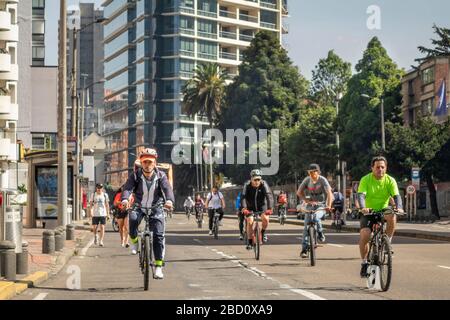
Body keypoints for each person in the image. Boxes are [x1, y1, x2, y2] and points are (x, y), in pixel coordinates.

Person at [121, 148, 174, 280]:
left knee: (158, 236)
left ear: (155, 163)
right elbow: (127, 188)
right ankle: (134, 241)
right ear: (141, 163)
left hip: (156, 207)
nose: (147, 165)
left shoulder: (161, 176)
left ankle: (158, 267)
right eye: (145, 162)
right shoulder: (135, 175)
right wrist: (125, 199)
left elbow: (167, 189)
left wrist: (169, 201)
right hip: (139, 206)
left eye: (150, 162)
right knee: (132, 219)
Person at [357, 156, 404, 277]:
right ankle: (364, 262)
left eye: (383, 167)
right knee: (365, 234)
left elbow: (396, 195)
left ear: (386, 168)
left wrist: (399, 207)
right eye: (377, 167)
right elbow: (361, 195)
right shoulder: (365, 179)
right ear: (372, 168)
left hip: (384, 209)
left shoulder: (390, 180)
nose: (380, 169)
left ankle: (387, 242)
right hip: (369, 211)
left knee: (392, 214)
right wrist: (363, 207)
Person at [297, 164, 334, 258]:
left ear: (318, 172)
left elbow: (329, 193)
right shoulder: (307, 180)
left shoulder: (322, 180)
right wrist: (306, 201)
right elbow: (299, 192)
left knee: (316, 217)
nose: (312, 174)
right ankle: (304, 249)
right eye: (310, 172)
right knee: (306, 227)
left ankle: (320, 232)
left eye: (314, 171)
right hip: (309, 206)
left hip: (321, 205)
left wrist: (328, 206)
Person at [241, 169, 274, 249]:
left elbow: (269, 196)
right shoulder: (247, 185)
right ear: (251, 179)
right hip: (250, 207)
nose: (257, 181)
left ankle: (262, 233)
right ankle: (249, 241)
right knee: (250, 221)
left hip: (262, 206)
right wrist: (245, 208)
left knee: (265, 218)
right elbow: (243, 197)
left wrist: (270, 208)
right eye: (255, 179)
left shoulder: (263, 184)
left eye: (258, 179)